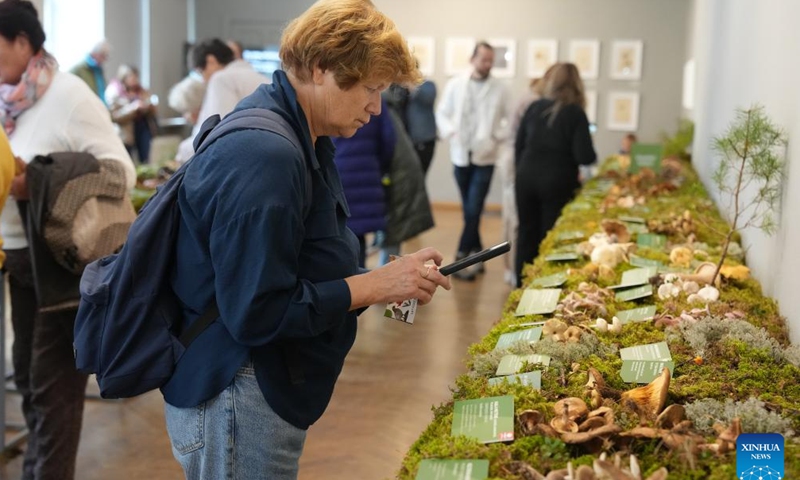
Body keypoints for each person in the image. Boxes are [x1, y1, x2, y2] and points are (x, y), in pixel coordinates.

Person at [161, 1, 451, 478]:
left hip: (255, 389)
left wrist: (384, 278)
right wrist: (374, 287)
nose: (377, 107)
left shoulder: (298, 136)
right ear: (321, 68)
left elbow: (296, 267)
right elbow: (256, 310)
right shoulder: (267, 154)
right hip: (237, 395)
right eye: (370, 89)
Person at [0, 2, 136, 478]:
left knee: (53, 389)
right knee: (27, 380)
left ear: (22, 41)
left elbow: (120, 172)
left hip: (60, 268)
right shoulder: (8, 100)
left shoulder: (70, 96)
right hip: (16, 260)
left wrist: (33, 181)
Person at [514, 62, 596, 287]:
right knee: (550, 236)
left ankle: (520, 287)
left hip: (526, 177)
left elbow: (518, 145)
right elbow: (585, 156)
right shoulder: (575, 113)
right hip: (557, 181)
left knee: (525, 233)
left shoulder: (534, 107)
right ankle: (542, 288)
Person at [436, 41, 510, 281]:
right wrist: (452, 133)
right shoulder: (456, 84)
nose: (487, 64)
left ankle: (460, 255)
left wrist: (494, 137)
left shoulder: (501, 88)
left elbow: (510, 122)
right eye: (483, 59)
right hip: (461, 156)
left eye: (490, 60)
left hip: (485, 157)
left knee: (474, 207)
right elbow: (442, 113)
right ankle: (478, 254)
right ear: (473, 59)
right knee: (470, 211)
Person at [174, 38, 269, 162]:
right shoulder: (257, 76)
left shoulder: (221, 79)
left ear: (211, 61)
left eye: (201, 72)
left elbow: (215, 131)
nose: (203, 80)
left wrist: (182, 152)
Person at [332, 97, 396, 268]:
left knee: (340, 232)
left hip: (337, 173)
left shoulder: (332, 97)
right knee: (357, 236)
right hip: (367, 174)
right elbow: (389, 139)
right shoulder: (374, 99)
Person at [105, 64, 158, 163]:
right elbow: (114, 116)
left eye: (136, 76)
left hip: (143, 128)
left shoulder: (142, 90)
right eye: (131, 77)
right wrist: (133, 108)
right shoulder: (114, 91)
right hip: (125, 132)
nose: (134, 80)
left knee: (145, 160)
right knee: (127, 161)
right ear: (124, 77)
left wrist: (149, 107)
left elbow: (152, 112)